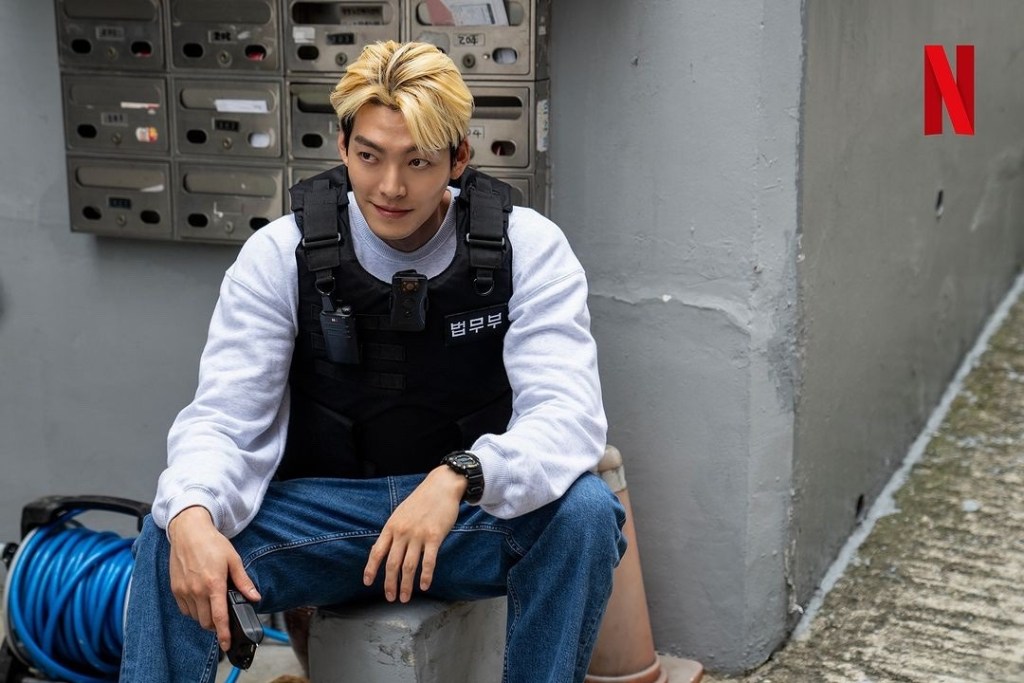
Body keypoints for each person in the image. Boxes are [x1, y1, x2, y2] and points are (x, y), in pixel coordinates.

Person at [119, 41, 625, 683]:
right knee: (172, 533)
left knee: (584, 516)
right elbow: (223, 419)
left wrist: (460, 476)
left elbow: (568, 416)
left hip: (463, 520)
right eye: (369, 156)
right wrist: (192, 510)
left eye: (418, 161)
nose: (390, 186)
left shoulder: (527, 246)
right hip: (329, 519)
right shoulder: (279, 254)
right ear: (342, 146)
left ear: (458, 158)